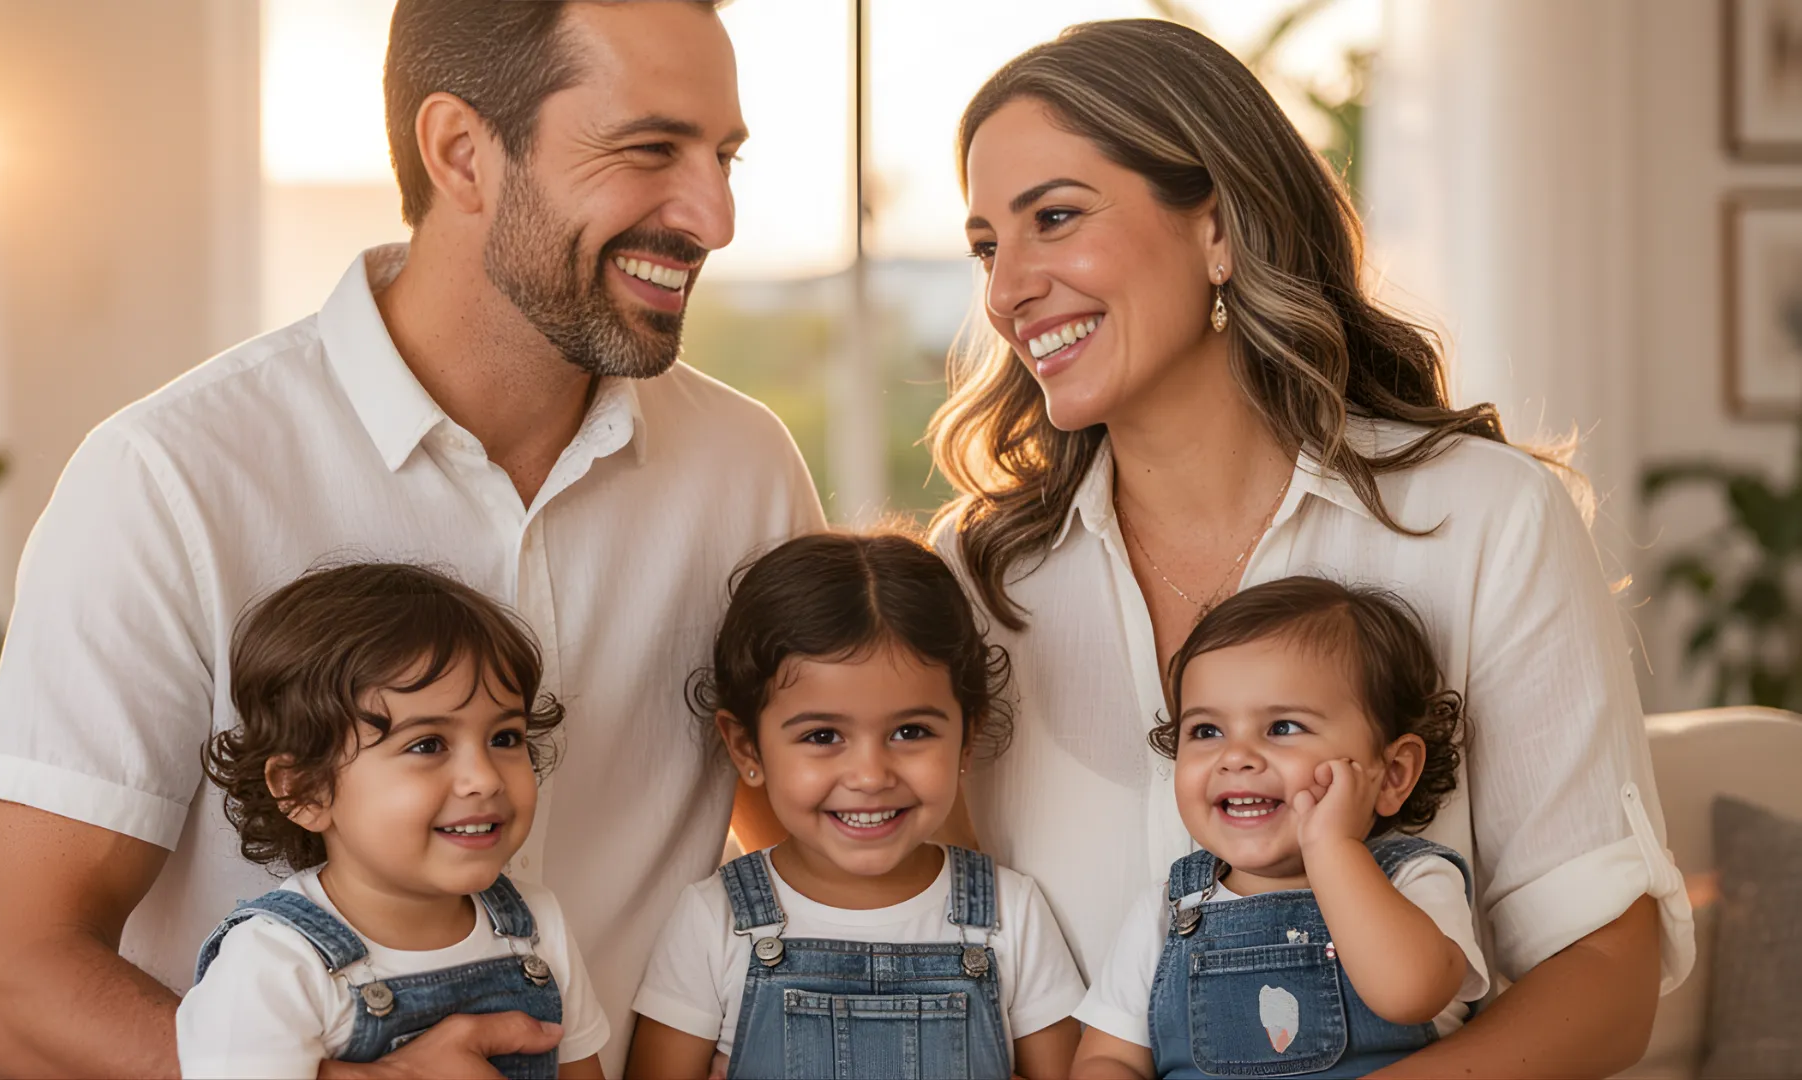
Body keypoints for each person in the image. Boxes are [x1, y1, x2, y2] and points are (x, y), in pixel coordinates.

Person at [0, 3, 822, 1076]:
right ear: (461, 151)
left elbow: (821, 836)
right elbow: (16, 983)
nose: (715, 216)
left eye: (724, 155)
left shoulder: (744, 468)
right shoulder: (167, 478)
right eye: (650, 149)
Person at [929, 18, 1691, 1076]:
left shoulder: (1482, 520)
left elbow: (1603, 981)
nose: (1006, 290)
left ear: (1220, 230)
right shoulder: (980, 578)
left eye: (1055, 218)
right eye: (985, 247)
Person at [626, 533, 1085, 1080]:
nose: (870, 776)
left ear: (967, 739)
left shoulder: (1013, 916)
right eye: (823, 736)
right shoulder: (714, 922)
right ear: (747, 747)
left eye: (910, 731)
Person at [177, 563, 607, 1079]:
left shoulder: (537, 926)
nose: (484, 778)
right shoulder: (273, 964)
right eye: (427, 744)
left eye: (505, 738)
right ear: (306, 790)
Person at [1072, 577, 1489, 1079]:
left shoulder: (1413, 882)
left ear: (1393, 773)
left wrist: (1332, 847)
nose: (1238, 757)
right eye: (1207, 731)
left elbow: (1409, 995)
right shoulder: (1170, 913)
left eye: (1284, 727)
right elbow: (1108, 1057)